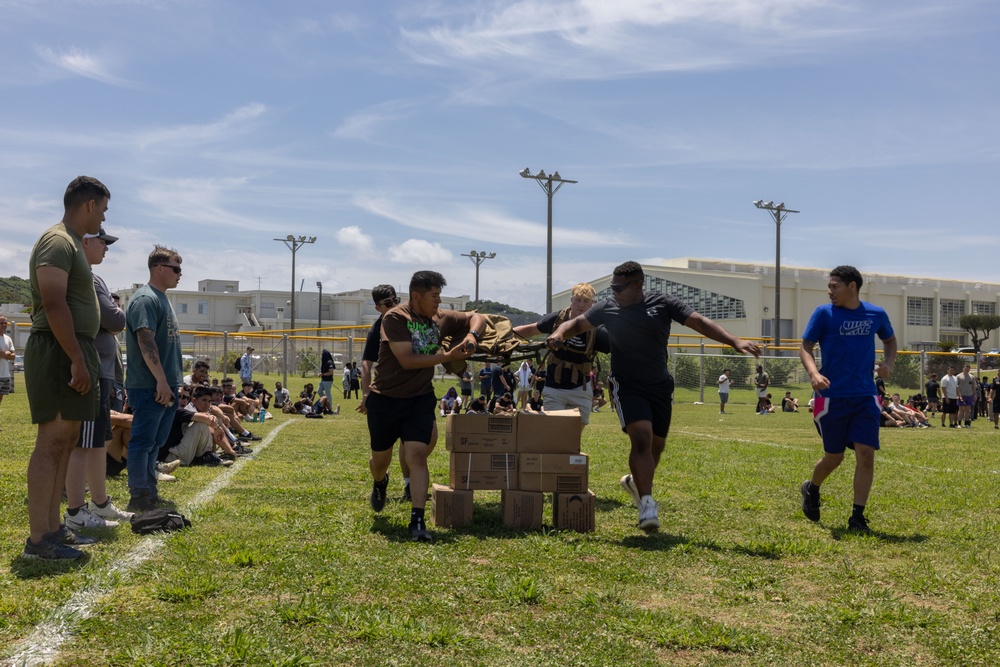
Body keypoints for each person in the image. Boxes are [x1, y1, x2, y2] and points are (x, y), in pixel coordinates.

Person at [546, 261, 760, 532]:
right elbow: (575, 324)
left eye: (620, 288)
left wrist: (735, 341)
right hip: (627, 384)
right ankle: (647, 503)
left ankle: (636, 484)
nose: (615, 292)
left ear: (637, 285)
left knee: (657, 446)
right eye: (612, 287)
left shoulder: (664, 303)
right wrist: (558, 333)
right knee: (642, 438)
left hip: (660, 385)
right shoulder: (607, 307)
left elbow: (700, 322)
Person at [22, 176, 109, 560]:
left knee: (66, 441)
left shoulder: (73, 243)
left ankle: (54, 530)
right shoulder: (58, 240)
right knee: (52, 441)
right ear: (89, 204)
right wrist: (75, 357)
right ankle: (40, 539)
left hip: (74, 349)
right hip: (59, 350)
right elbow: (54, 303)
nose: (104, 217)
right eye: (103, 209)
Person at [365, 270, 485, 542]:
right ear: (416, 296)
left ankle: (417, 520)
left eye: (440, 296)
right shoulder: (395, 317)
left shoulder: (440, 316)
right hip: (385, 399)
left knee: (417, 456)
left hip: (419, 399)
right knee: (379, 462)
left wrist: (472, 336)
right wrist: (448, 355)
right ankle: (380, 482)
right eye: (434, 296)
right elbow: (407, 359)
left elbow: (477, 316)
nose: (438, 302)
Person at [799, 265, 896, 535]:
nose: (830, 291)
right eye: (829, 287)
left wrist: (888, 363)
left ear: (852, 286)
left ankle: (857, 518)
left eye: (834, 286)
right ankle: (812, 488)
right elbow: (805, 346)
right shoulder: (823, 314)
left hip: (865, 396)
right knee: (834, 457)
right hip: (830, 397)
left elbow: (890, 340)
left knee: (866, 455)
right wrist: (814, 373)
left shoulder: (876, 314)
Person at [64, 227, 134, 532]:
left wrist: (113, 310)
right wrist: (115, 310)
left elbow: (113, 317)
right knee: (84, 443)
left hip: (102, 371)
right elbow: (115, 319)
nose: (106, 248)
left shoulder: (93, 275)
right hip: (94, 369)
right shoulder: (88, 277)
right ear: (86, 241)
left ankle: (99, 503)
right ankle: (77, 510)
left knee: (97, 442)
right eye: (103, 242)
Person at [124, 245, 184, 513]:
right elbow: (145, 341)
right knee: (143, 442)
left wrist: (170, 383)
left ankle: (149, 491)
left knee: (154, 444)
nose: (180, 274)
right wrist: (161, 380)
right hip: (150, 385)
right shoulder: (145, 299)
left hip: (165, 385)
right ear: (159, 268)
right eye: (176, 268)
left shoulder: (162, 299)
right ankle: (138, 496)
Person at [513, 283, 610, 426]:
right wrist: (502, 335)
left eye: (586, 301)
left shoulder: (597, 329)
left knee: (574, 435)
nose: (581, 305)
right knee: (554, 431)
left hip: (580, 389)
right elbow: (530, 329)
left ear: (593, 304)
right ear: (571, 301)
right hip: (554, 388)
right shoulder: (557, 319)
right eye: (578, 300)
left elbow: (620, 346)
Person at [0, 315, 14, 429]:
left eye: (5, 323)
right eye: (1, 323)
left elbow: (13, 356)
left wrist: (6, 353)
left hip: (4, 374)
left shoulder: (8, 338)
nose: (4, 325)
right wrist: (7, 353)